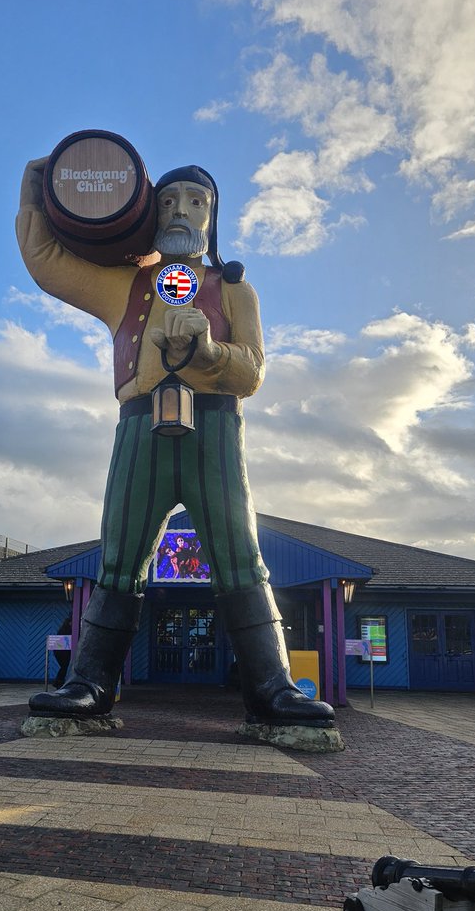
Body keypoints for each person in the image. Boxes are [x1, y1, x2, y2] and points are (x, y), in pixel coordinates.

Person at [17, 158, 334, 727]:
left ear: (213, 217)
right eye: (168, 201)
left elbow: (254, 372)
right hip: (140, 427)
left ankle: (271, 687)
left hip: (214, 428)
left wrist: (212, 354)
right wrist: (35, 198)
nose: (181, 211)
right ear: (150, 211)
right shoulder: (126, 284)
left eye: (195, 201)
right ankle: (91, 680)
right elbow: (47, 263)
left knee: (239, 553)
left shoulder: (234, 289)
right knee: (119, 556)